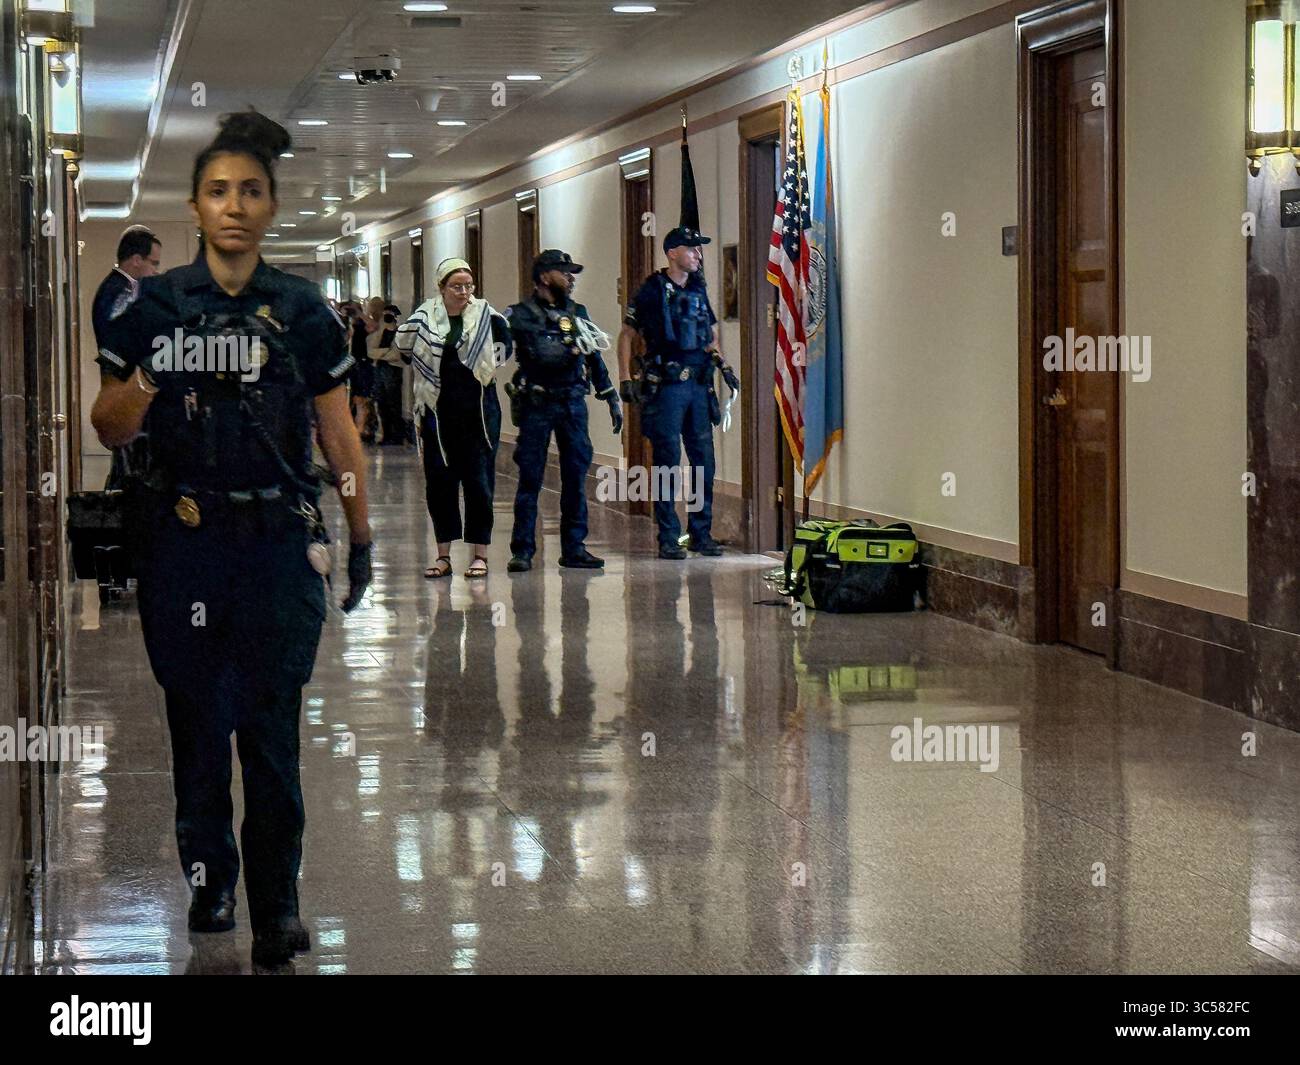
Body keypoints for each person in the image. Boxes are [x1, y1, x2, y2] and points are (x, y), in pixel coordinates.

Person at [89, 109, 373, 973]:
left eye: (251, 190)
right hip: (184, 547)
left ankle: (277, 903)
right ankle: (210, 880)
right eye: (219, 191)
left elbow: (338, 431)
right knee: (198, 727)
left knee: (273, 732)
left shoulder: (304, 313)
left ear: (272, 206)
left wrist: (361, 528)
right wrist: (150, 373)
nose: (235, 206)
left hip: (278, 549)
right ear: (196, 205)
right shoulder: (155, 306)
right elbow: (106, 426)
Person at [617, 226, 735, 560]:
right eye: (692, 249)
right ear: (672, 253)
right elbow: (626, 335)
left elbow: (710, 335)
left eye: (699, 250)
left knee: (703, 462)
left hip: (698, 386)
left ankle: (701, 532)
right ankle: (669, 535)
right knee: (668, 461)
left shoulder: (698, 289)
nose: (698, 255)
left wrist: (722, 364)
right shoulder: (652, 291)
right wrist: (625, 377)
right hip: (667, 387)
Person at [394, 257, 512, 578]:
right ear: (442, 288)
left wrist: (485, 360)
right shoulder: (425, 317)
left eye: (468, 286)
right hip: (437, 412)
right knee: (440, 484)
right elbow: (404, 347)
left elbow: (505, 348)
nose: (463, 292)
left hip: (478, 413)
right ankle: (443, 554)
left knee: (479, 483)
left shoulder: (487, 316)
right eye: (456, 286)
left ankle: (480, 554)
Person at [505, 249, 621, 572]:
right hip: (537, 404)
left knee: (575, 475)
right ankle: (523, 550)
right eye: (564, 272)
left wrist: (609, 394)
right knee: (530, 477)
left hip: (572, 403)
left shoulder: (577, 311)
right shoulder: (520, 315)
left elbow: (593, 354)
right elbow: (497, 350)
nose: (570, 279)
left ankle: (574, 547)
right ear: (544, 277)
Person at [92, 226, 162, 489]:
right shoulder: (122, 293)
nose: (155, 271)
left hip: (122, 381)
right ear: (136, 260)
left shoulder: (116, 289)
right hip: (126, 384)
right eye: (152, 263)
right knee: (130, 465)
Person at [371, 300, 406, 445]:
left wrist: (381, 353)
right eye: (385, 316)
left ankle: (397, 435)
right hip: (380, 367)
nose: (387, 319)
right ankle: (386, 433)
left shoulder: (400, 332)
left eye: (389, 316)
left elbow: (397, 354)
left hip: (393, 368)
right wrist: (382, 329)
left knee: (393, 402)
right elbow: (371, 351)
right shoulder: (380, 332)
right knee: (381, 402)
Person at [346, 300, 378, 442]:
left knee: (361, 398)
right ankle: (352, 427)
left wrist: (359, 314)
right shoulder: (342, 325)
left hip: (361, 362)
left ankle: (359, 429)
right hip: (347, 363)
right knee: (348, 396)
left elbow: (373, 326)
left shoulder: (361, 326)